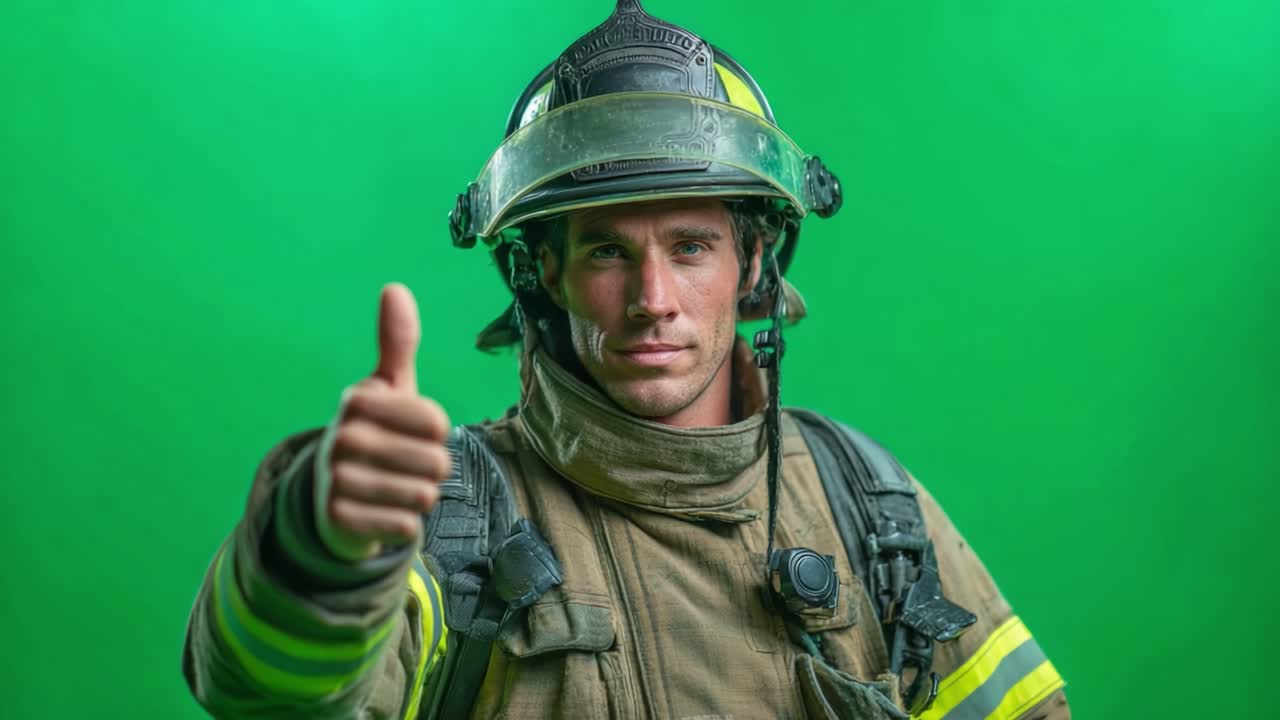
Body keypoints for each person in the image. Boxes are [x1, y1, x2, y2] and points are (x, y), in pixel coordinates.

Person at [181, 2, 1070, 718]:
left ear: (752, 264)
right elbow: (261, 694)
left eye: (690, 246)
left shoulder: (865, 501)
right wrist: (320, 545)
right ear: (543, 274)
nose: (652, 298)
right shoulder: (448, 521)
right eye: (607, 251)